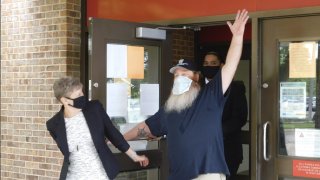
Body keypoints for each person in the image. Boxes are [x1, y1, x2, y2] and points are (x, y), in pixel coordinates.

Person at [124, 9, 249, 180]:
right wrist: (118, 139)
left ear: (196, 76)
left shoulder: (210, 96)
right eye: (177, 74)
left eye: (185, 74)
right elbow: (145, 128)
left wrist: (237, 37)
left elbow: (231, 66)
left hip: (206, 174)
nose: (179, 77)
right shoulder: (170, 107)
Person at [46, 77, 149, 180]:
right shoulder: (53, 125)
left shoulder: (94, 109)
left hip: (100, 175)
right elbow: (67, 153)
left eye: (82, 92)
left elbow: (114, 135)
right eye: (78, 95)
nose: (83, 97)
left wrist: (134, 156)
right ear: (64, 100)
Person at [201, 51, 248, 180]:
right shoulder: (196, 87)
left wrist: (215, 131)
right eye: (206, 63)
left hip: (227, 151)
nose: (209, 66)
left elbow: (240, 118)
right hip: (200, 152)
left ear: (221, 66)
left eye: (213, 63)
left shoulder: (235, 89)